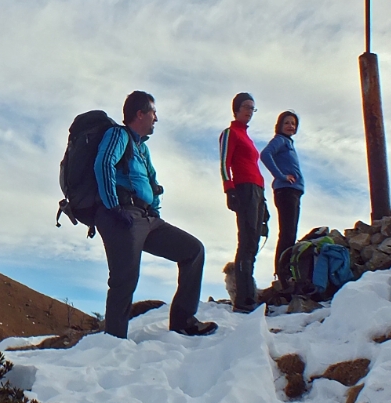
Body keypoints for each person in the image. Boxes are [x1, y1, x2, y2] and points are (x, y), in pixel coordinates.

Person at [93, 91, 217, 339]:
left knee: (193, 250)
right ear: (140, 114)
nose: (156, 119)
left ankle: (183, 321)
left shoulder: (141, 148)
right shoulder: (118, 135)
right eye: (153, 112)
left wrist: (155, 212)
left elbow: (153, 182)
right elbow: (103, 164)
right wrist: (114, 207)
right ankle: (114, 341)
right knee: (125, 277)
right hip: (121, 214)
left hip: (146, 218)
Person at [219, 92, 265, 311]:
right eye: (246, 106)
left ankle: (249, 295)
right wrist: (230, 189)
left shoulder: (248, 137)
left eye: (252, 108)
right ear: (236, 108)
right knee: (246, 241)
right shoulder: (230, 133)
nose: (249, 111)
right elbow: (224, 163)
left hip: (257, 190)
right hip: (244, 189)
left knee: (254, 241)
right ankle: (243, 299)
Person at [260, 111, 304, 289]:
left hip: (293, 191)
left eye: (293, 123)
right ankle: (283, 274)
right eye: (286, 122)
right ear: (279, 125)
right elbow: (265, 155)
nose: (290, 126)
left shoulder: (288, 143)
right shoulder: (280, 140)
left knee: (290, 232)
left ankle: (286, 271)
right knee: (287, 233)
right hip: (285, 190)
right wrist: (281, 176)